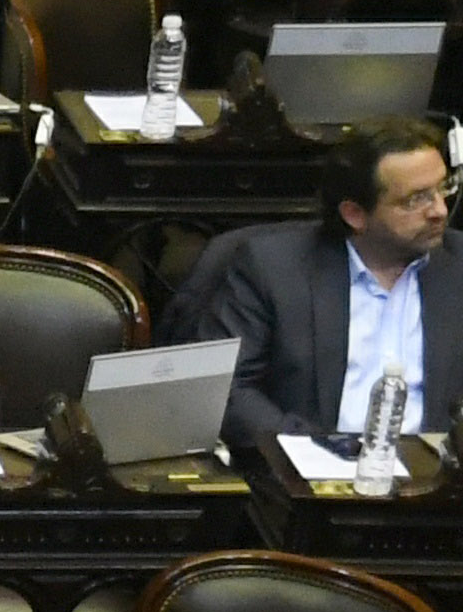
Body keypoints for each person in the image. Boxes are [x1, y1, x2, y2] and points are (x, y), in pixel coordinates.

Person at [179, 116, 453, 453]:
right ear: (355, 214)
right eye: (416, 200)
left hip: (437, 486)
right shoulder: (273, 268)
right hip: (309, 478)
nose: (439, 210)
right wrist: (313, 450)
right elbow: (226, 388)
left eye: (443, 188)